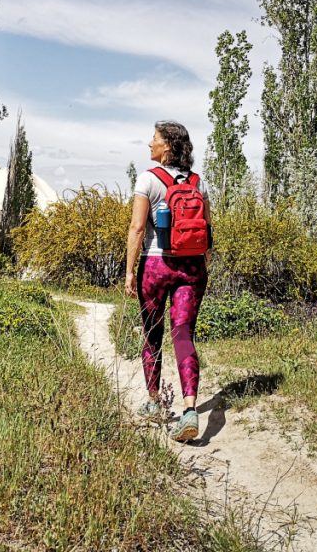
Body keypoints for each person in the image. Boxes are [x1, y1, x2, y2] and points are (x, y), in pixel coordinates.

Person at [124, 120, 211, 442]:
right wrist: (203, 266)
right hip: (191, 267)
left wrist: (130, 271)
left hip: (156, 265)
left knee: (152, 334)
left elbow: (136, 229)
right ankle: (190, 409)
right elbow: (208, 231)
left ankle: (154, 402)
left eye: (154, 139)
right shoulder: (197, 182)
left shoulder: (148, 179)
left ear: (167, 146)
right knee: (183, 335)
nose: (149, 144)